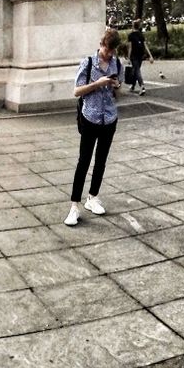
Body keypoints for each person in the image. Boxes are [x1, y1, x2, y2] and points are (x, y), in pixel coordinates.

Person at [64, 28, 124, 226]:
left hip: (109, 118)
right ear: (101, 45)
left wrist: (116, 85)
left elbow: (119, 89)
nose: (109, 55)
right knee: (84, 161)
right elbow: (76, 91)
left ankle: (93, 197)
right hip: (90, 117)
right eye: (107, 50)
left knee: (101, 161)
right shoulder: (88, 63)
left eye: (112, 51)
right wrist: (97, 83)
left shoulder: (117, 63)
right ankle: (74, 206)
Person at [126, 19, 154, 96]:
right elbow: (145, 46)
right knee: (136, 69)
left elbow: (130, 47)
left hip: (134, 55)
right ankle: (133, 86)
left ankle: (142, 86)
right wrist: (150, 55)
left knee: (137, 70)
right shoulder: (141, 35)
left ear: (132, 26)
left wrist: (128, 57)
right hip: (140, 55)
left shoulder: (130, 35)